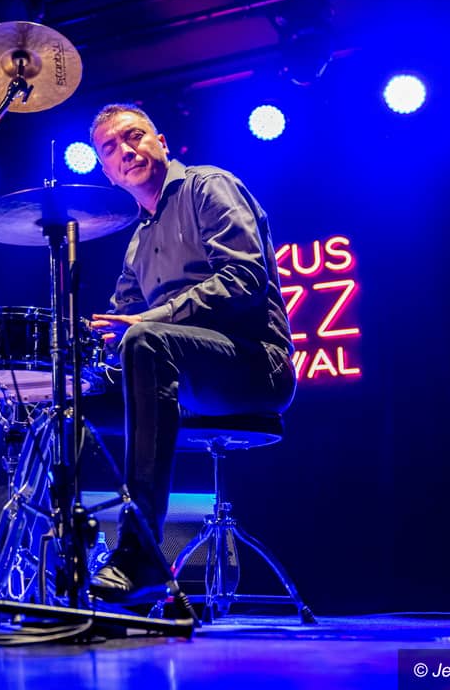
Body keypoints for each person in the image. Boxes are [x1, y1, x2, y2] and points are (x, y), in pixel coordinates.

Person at [88, 104, 297, 602]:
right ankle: (46, 555)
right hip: (174, 373)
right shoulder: (137, 243)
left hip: (255, 365)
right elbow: (125, 321)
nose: (125, 151)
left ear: (161, 142)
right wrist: (90, 347)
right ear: (107, 173)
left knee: (146, 341)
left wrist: (147, 323)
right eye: (111, 148)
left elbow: (244, 278)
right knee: (69, 394)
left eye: (134, 136)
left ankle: (142, 555)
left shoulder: (207, 186)